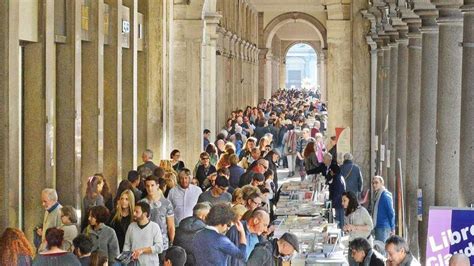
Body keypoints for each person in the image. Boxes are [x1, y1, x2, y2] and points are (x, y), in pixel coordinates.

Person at [139, 175, 176, 256]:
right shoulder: (141, 203)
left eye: (152, 185)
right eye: (147, 186)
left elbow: (171, 226)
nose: (150, 188)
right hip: (145, 244)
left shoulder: (166, 203)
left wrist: (171, 242)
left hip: (162, 244)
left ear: (157, 186)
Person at [371, 176, 395, 242]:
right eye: (373, 183)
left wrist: (393, 228)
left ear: (382, 184)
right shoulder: (377, 195)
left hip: (383, 227)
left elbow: (391, 212)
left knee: (381, 249)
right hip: (378, 226)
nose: (374, 185)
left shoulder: (385, 196)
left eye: (376, 183)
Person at [327, 164, 346, 228]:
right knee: (340, 219)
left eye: (331, 170)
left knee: (338, 221)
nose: (330, 172)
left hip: (337, 203)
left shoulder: (337, 179)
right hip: (339, 202)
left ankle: (341, 232)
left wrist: (331, 205)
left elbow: (336, 193)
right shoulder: (339, 176)